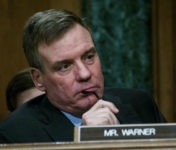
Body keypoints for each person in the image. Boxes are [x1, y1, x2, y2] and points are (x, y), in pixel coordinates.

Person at [0, 9, 166, 143]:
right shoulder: (14, 134)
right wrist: (84, 143)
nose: (85, 74)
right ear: (38, 79)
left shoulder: (140, 104)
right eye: (65, 66)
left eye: (89, 57)